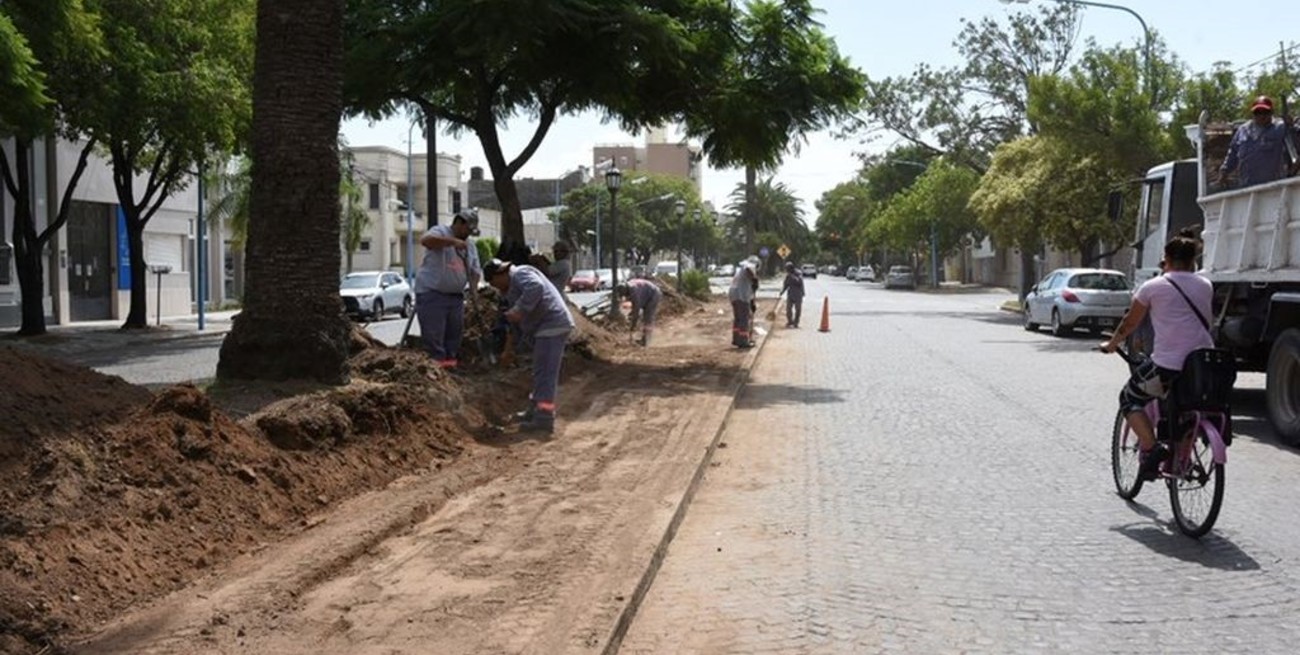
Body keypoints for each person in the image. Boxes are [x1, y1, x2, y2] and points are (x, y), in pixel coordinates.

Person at [1099, 235, 1214, 480]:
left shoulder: (1153, 287)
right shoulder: (1206, 285)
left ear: (1167, 259)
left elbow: (1130, 322)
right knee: (1187, 407)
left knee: (1129, 398)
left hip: (1167, 366)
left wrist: (1112, 344)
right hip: (1202, 364)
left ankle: (1152, 448)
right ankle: (1181, 459)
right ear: (1193, 260)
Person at [482, 258, 575, 434]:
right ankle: (535, 409)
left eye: (494, 283)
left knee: (545, 373)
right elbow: (513, 324)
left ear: (499, 275)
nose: (496, 288)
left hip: (552, 325)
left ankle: (544, 418)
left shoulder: (521, 273)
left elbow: (536, 287)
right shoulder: (510, 290)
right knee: (540, 371)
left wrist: (519, 310)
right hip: (544, 328)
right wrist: (509, 349)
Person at [414, 209, 480, 369]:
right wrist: (452, 242)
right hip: (432, 293)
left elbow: (474, 272)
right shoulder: (440, 232)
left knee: (454, 335)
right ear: (459, 222)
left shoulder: (470, 246)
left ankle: (450, 366)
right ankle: (436, 367)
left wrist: (474, 292)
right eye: (467, 230)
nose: (468, 234)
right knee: (434, 335)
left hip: (455, 297)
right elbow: (426, 241)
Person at [1220, 95, 1289, 188]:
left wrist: (1290, 124)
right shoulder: (1243, 130)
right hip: (1247, 186)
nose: (1261, 115)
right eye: (1258, 112)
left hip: (1274, 187)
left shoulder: (1280, 128)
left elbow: (1295, 142)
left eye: (1265, 112)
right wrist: (1224, 170)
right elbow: (1233, 152)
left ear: (1271, 112)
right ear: (1253, 113)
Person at [615, 278, 662, 346]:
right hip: (647, 294)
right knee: (643, 316)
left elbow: (636, 311)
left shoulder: (635, 292)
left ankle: (646, 340)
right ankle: (644, 338)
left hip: (654, 294)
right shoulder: (629, 286)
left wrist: (633, 325)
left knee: (648, 316)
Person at [728, 257, 759, 348]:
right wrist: (754, 278)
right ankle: (743, 341)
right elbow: (750, 270)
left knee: (738, 319)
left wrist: (752, 303)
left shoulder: (740, 270)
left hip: (734, 296)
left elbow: (750, 290)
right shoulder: (749, 267)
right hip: (741, 297)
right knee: (744, 319)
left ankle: (736, 339)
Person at [781, 262, 806, 328]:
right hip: (791, 294)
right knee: (788, 309)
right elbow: (786, 284)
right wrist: (782, 291)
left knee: (798, 309)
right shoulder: (788, 275)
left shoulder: (798, 273)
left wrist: (791, 276)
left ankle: (796, 322)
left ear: (791, 268)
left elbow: (799, 282)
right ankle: (790, 321)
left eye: (788, 269)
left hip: (798, 293)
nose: (787, 271)